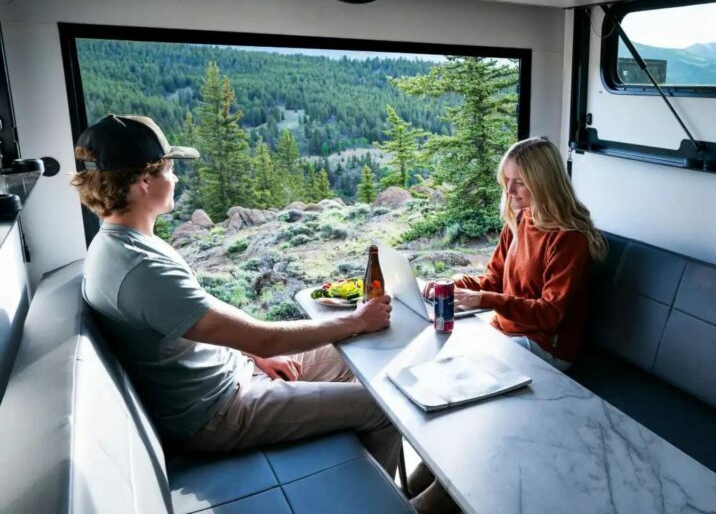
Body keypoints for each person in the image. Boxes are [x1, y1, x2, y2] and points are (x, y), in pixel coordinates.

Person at [70, 115, 412, 486]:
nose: (177, 178)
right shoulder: (139, 269)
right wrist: (356, 320)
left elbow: (216, 321)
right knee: (383, 406)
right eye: (169, 168)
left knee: (357, 351)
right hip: (217, 413)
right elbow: (261, 336)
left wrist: (254, 355)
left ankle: (349, 466)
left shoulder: (128, 244)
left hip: (233, 374)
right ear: (144, 181)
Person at [423, 137, 607, 371]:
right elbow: (494, 281)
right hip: (506, 330)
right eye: (507, 181)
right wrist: (452, 285)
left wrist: (484, 299)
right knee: (444, 352)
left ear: (544, 183)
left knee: (464, 368)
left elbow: (550, 313)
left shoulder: (569, 237)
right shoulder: (519, 220)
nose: (509, 191)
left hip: (546, 346)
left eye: (519, 182)